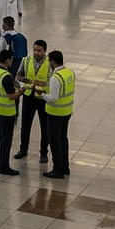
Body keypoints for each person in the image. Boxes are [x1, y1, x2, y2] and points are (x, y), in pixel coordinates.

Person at [0, 50, 23, 175]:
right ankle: (4, 166)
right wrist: (20, 92)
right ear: (7, 60)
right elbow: (11, 96)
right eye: (11, 59)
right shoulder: (6, 76)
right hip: (5, 112)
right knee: (5, 139)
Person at [14, 40, 51, 163]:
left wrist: (41, 85)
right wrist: (30, 82)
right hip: (28, 96)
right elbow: (18, 77)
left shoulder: (49, 64)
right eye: (35, 50)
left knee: (45, 127)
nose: (36, 53)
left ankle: (44, 152)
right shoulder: (26, 60)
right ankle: (23, 149)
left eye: (39, 51)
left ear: (44, 51)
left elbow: (51, 81)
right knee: (25, 125)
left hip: (42, 98)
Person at [40, 50, 75, 179]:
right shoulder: (69, 73)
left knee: (55, 141)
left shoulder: (56, 77)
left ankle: (58, 170)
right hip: (67, 111)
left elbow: (53, 97)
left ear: (53, 62)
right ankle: (65, 167)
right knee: (63, 139)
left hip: (55, 113)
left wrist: (42, 95)